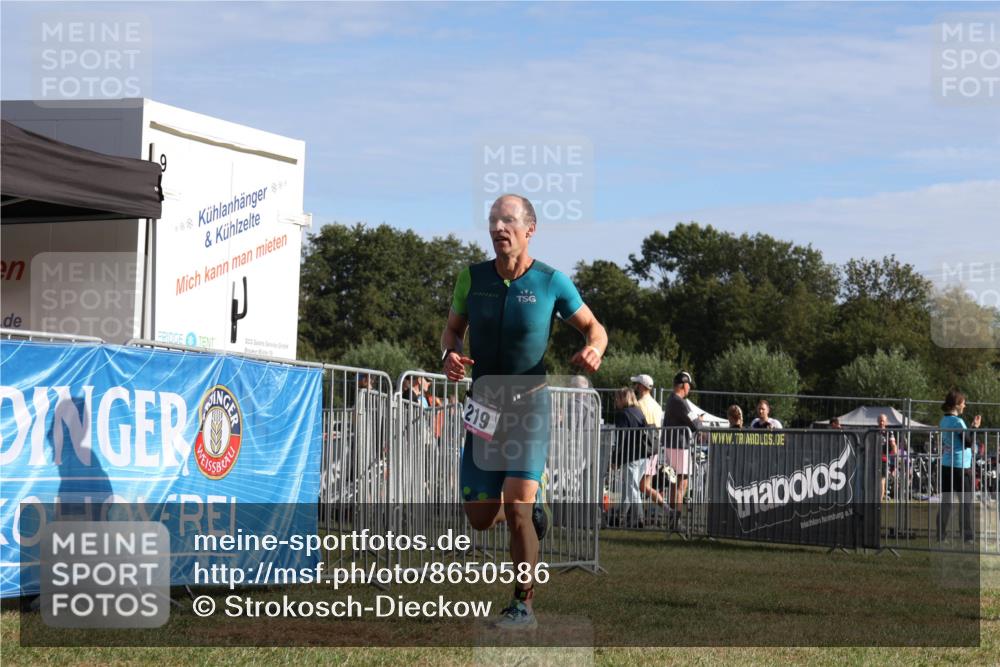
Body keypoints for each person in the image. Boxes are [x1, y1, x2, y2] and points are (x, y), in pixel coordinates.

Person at [440, 194, 607, 630]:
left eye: (508, 220)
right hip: (482, 405)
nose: (499, 227)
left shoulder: (552, 281)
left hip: (529, 403)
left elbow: (595, 328)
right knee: (479, 517)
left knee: (516, 509)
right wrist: (450, 356)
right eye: (493, 220)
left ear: (530, 229)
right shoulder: (471, 279)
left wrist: (594, 349)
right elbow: (453, 332)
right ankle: (535, 502)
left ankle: (523, 605)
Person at [938, 390, 982, 544]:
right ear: (956, 405)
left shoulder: (944, 420)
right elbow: (968, 442)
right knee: (966, 503)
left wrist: (969, 427)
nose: (965, 405)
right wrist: (975, 428)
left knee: (946, 502)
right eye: (963, 402)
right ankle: (967, 536)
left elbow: (962, 438)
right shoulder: (958, 422)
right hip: (960, 467)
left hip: (946, 465)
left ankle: (941, 536)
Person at [611, 388, 653, 527]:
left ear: (623, 399)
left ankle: (640, 519)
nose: (615, 401)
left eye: (617, 398)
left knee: (631, 487)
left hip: (630, 457)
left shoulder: (623, 414)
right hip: (643, 456)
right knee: (629, 488)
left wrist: (615, 459)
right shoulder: (639, 411)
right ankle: (620, 517)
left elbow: (620, 439)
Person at [663, 371, 702, 517]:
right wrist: (700, 421)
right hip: (680, 447)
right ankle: (676, 518)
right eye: (689, 386)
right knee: (682, 484)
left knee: (675, 483)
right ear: (684, 385)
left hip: (671, 445)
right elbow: (696, 424)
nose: (690, 389)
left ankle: (673, 516)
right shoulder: (680, 401)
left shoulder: (671, 399)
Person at [877, 412, 898, 502]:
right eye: (880, 421)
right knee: (874, 481)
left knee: (881, 482)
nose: (881, 423)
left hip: (884, 460)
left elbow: (893, 445)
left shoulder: (889, 432)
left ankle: (879, 503)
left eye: (883, 421)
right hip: (873, 459)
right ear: (877, 421)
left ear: (886, 422)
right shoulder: (873, 431)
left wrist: (895, 455)